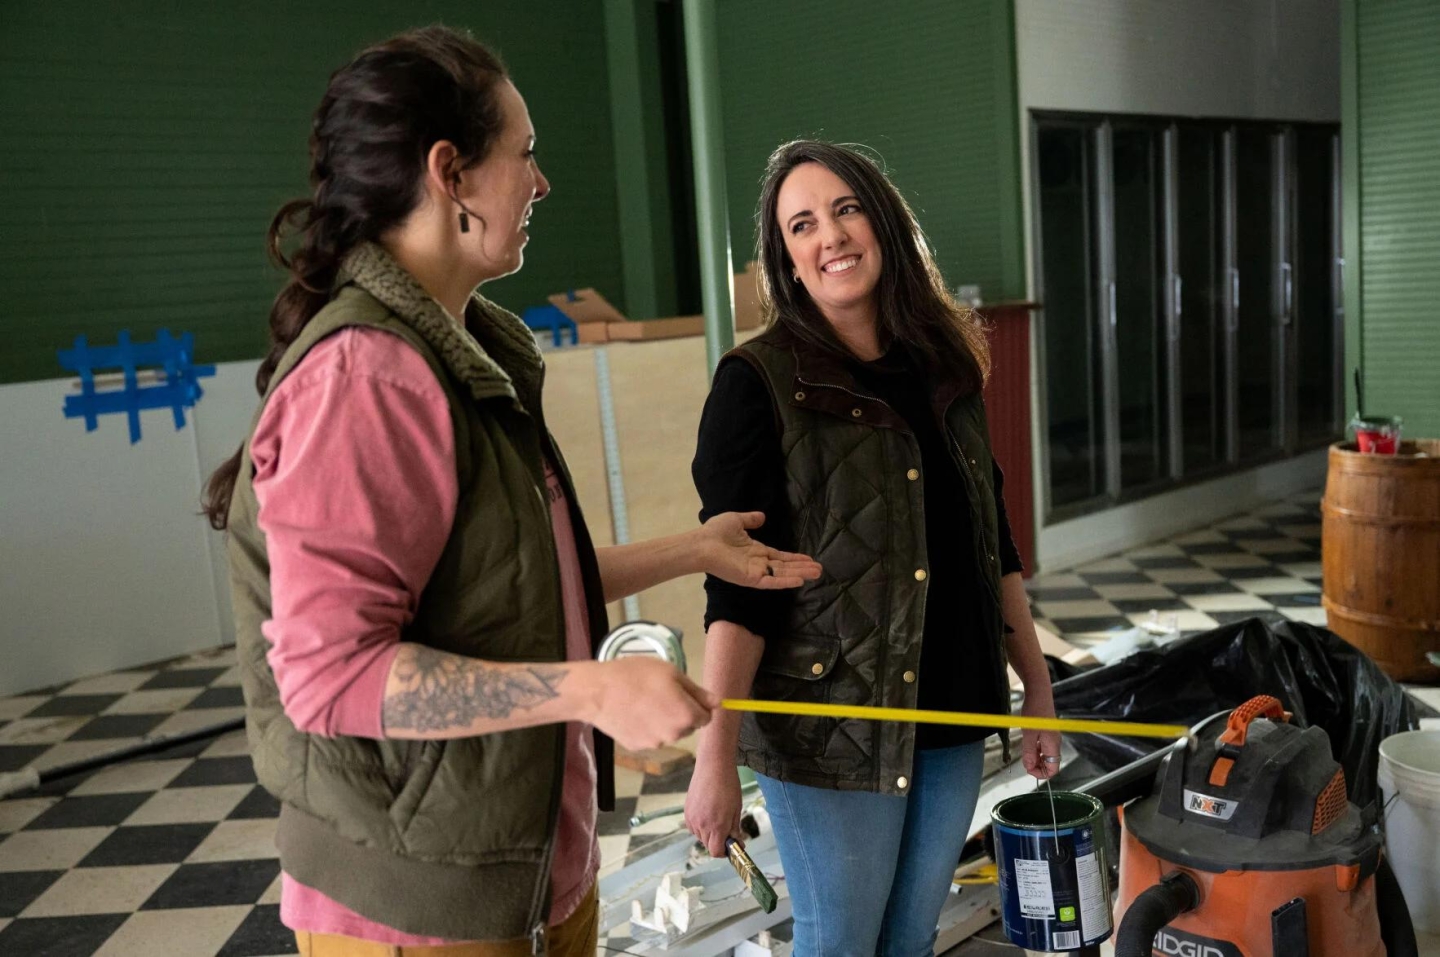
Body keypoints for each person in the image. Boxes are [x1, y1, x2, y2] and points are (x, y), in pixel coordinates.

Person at [202, 26, 820, 957]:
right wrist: (594, 689)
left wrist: (694, 551)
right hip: (420, 909)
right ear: (450, 173)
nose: (541, 183)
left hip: (522, 878)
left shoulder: (468, 349)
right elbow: (331, 678)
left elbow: (510, 590)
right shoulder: (368, 377)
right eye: (524, 155)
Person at [683, 140, 1060, 957]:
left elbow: (988, 535)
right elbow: (737, 589)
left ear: (883, 222)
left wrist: (1035, 680)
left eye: (846, 209)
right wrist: (715, 754)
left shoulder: (944, 362)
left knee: (909, 936)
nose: (831, 237)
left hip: (953, 701)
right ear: (785, 257)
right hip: (833, 725)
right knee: (843, 939)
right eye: (802, 224)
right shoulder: (757, 383)